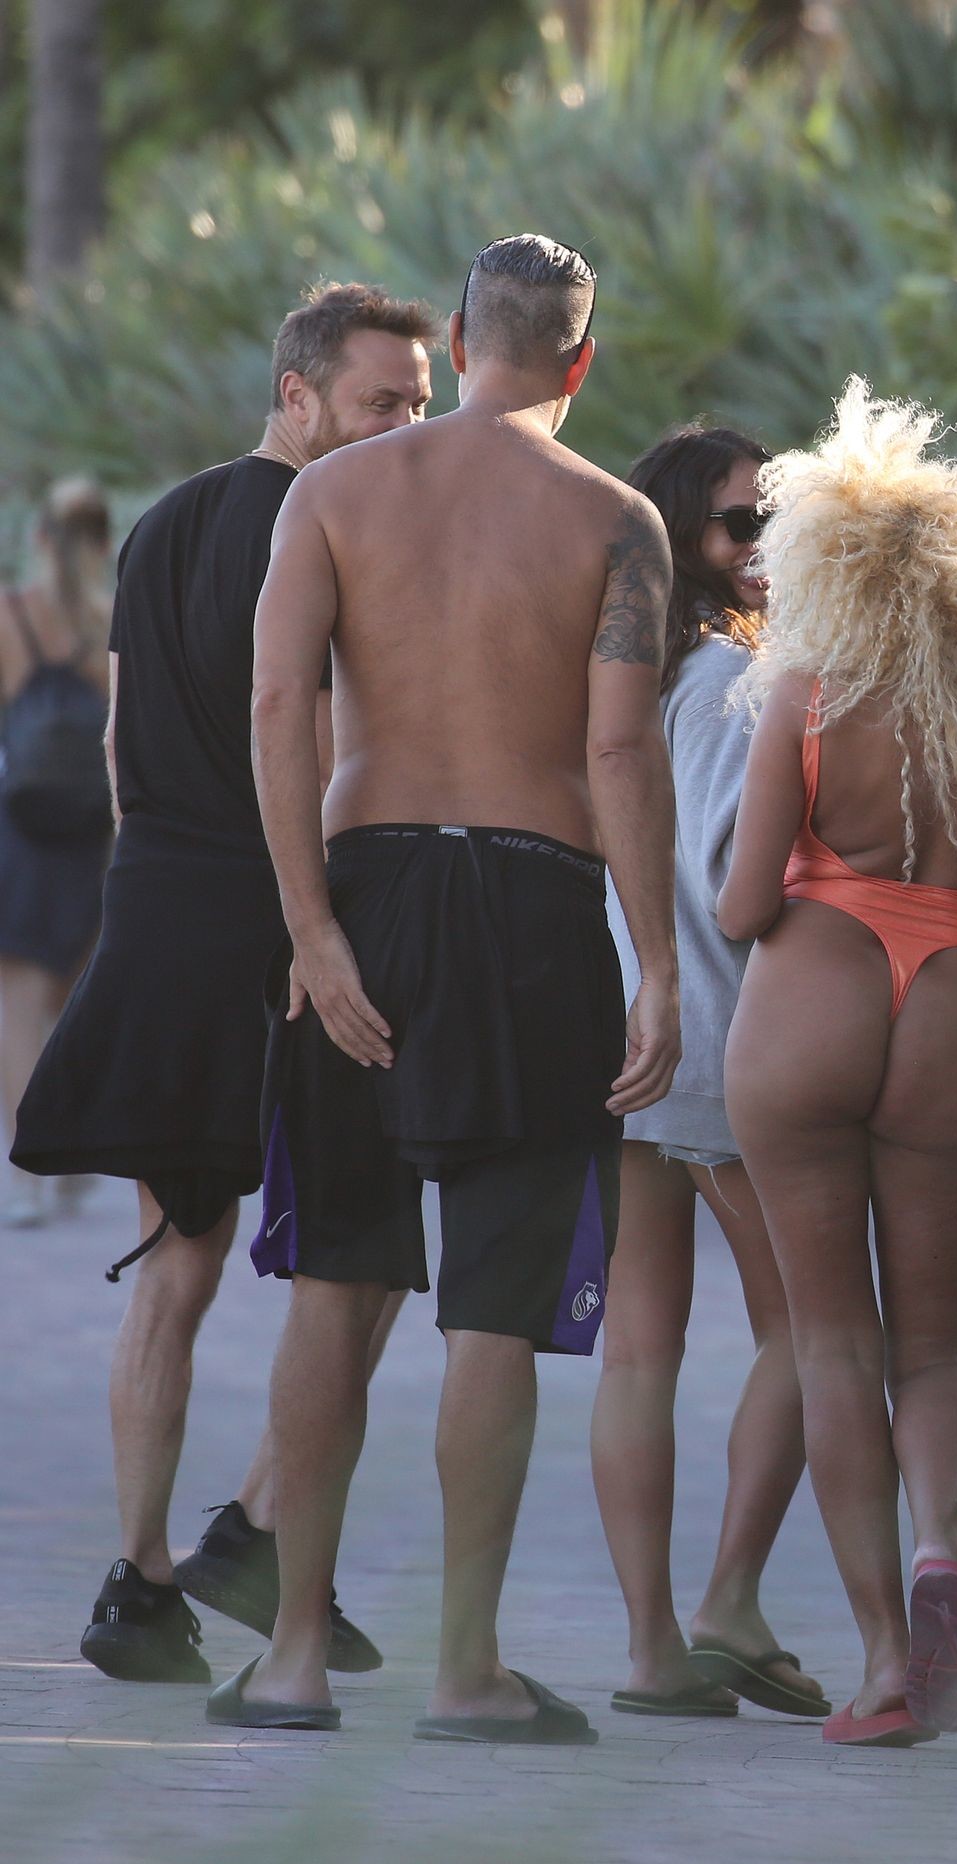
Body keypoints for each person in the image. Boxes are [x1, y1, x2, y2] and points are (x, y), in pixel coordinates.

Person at [207, 233, 680, 1744]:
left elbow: (274, 703)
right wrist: (659, 964)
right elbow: (620, 751)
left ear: (464, 341)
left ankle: (292, 1658)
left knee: (336, 1281)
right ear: (581, 360)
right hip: (534, 915)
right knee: (494, 1310)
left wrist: (311, 929)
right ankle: (467, 1671)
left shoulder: (333, 493)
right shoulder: (614, 520)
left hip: (367, 891)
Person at [12, 282, 440, 1684]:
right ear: (296, 394)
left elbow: (122, 746)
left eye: (418, 403)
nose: (403, 426)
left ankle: (142, 1586)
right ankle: (251, 1534)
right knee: (360, 1259)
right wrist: (322, 920)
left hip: (160, 912)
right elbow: (313, 740)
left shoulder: (161, 525)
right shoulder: (341, 528)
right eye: (380, 401)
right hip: (292, 918)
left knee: (175, 1269)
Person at [718, 379, 957, 1747]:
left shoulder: (807, 692)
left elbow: (739, 907)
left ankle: (885, 1664)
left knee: (832, 1340)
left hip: (806, 1007)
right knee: (935, 1351)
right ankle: (941, 1549)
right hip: (953, 1007)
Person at [593, 425, 828, 1721]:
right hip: (718, 1039)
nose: (762, 548)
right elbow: (736, 881)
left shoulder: (625, 673)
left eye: (776, 523)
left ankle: (649, 1650)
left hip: (625, 1039)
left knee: (641, 1352)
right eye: (741, 524)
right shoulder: (734, 682)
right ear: (680, 534)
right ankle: (728, 1603)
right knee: (811, 1328)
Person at [0, 479, 113, 1228]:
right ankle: (73, 1154)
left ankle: (28, 1176)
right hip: (89, 832)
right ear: (102, 544)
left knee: (16, 1003)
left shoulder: (9, 616)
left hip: (19, 830)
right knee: (75, 998)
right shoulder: (107, 623)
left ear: (40, 537)